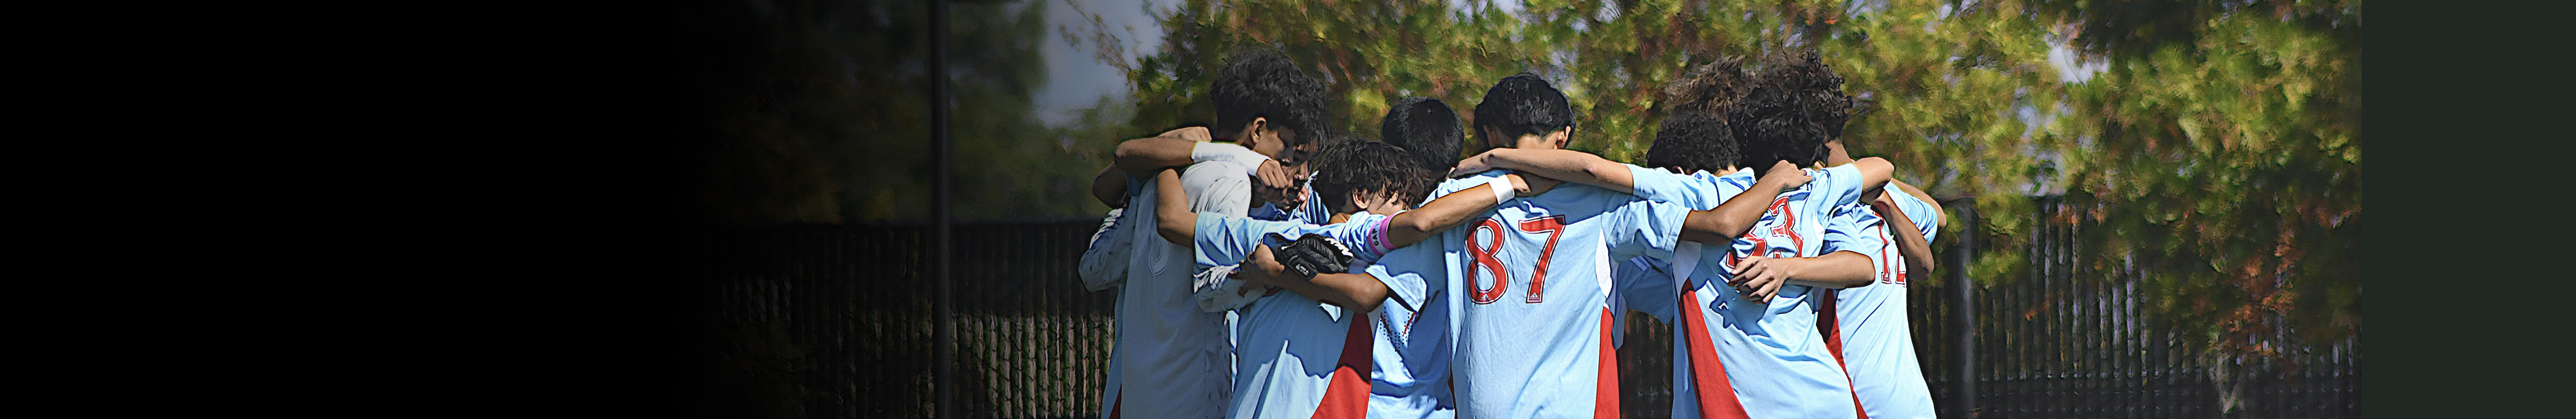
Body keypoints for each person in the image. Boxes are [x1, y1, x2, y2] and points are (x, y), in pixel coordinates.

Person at [1154, 137, 1555, 419]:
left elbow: (1171, 220)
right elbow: (1416, 228)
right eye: (1397, 200)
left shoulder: (1265, 236)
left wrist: (1165, 160)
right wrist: (1511, 184)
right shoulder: (1356, 238)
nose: (1401, 211)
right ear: (1362, 198)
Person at [1077, 47, 1333, 419]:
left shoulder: (1161, 175)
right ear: (1258, 130)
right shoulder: (1231, 180)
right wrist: (1271, 270)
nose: (1288, 168)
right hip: (1190, 395)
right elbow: (1212, 291)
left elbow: (1097, 268)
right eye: (1287, 153)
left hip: (1137, 393)